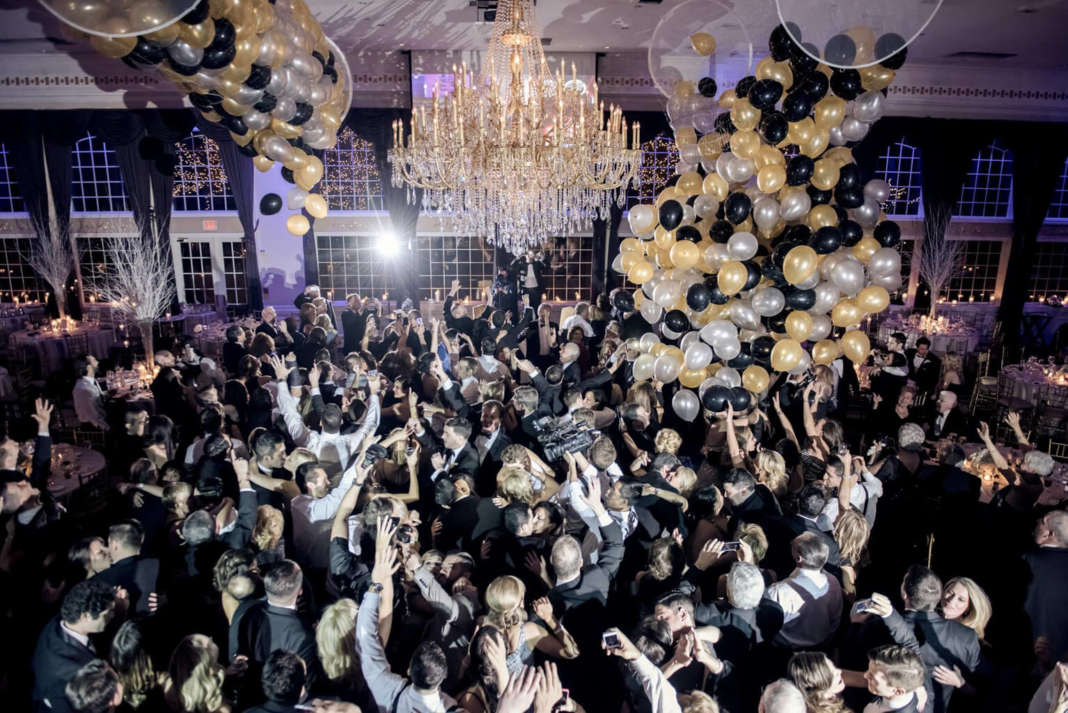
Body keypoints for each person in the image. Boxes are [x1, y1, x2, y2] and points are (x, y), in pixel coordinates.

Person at [867, 566, 981, 713]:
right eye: (950, 593)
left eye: (961, 599)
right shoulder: (967, 637)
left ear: (904, 594)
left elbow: (979, 688)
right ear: (940, 593)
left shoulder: (880, 626)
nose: (951, 601)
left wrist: (961, 683)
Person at [33, 579, 118, 713]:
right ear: (86, 616)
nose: (112, 615)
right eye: (108, 613)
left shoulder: (59, 621)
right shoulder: (76, 671)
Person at [763, 533, 843, 651]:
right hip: (822, 649)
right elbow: (835, 619)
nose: (791, 544)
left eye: (793, 546)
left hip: (783, 652)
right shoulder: (833, 582)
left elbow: (765, 626)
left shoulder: (778, 592)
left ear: (798, 558)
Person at [1024, 509, 1068, 665]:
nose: (1037, 522)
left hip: (1019, 652)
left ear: (1049, 534)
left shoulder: (1026, 562)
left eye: (1042, 521)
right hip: (1059, 659)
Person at [72, 356, 109, 431]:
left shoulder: (89, 382)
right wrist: (109, 428)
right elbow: (94, 417)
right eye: (94, 360)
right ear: (89, 368)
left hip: (99, 421)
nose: (98, 362)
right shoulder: (85, 390)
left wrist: (108, 394)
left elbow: (96, 399)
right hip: (95, 429)